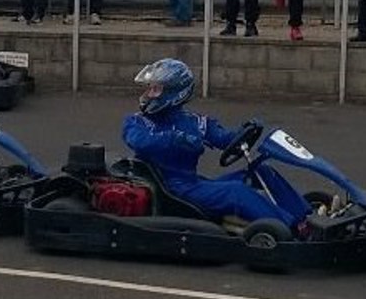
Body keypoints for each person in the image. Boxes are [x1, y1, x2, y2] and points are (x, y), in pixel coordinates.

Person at [122, 58, 301, 227]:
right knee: (236, 191)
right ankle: (290, 227)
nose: (148, 94)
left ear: (174, 93)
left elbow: (224, 139)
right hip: (171, 189)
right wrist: (174, 139)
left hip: (194, 184)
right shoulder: (138, 122)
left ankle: (303, 216)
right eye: (149, 88)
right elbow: (138, 141)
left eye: (155, 89)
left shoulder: (195, 122)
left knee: (263, 172)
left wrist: (244, 131)